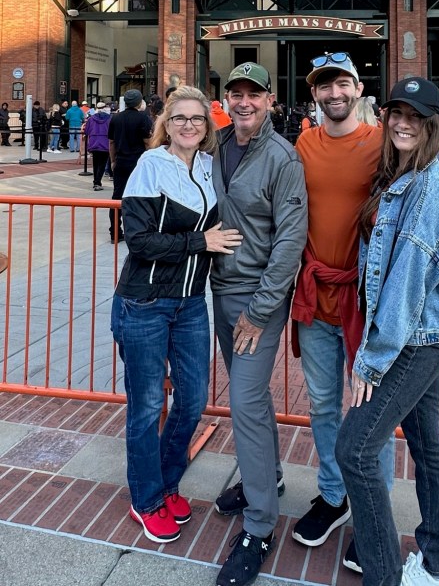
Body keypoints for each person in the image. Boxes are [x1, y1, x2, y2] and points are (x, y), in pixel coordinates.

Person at [335, 76, 439, 586]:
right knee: (427, 446)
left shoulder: (427, 187)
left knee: (355, 450)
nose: (404, 124)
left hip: (413, 338)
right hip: (426, 331)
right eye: (397, 114)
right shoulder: (400, 173)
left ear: (433, 125)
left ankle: (383, 575)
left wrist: (371, 361)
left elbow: (405, 283)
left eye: (416, 116)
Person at [110, 86, 242, 544]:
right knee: (147, 407)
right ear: (166, 123)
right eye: (180, 118)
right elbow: (139, 240)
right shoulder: (152, 165)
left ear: (208, 126)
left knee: (192, 400)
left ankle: (167, 484)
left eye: (197, 119)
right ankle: (145, 499)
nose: (189, 125)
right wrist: (200, 242)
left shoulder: (208, 165)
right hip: (144, 302)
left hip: (190, 303)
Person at [291, 53, 393, 576]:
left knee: (370, 413)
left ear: (358, 89)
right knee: (324, 404)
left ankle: (373, 513)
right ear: (315, 94)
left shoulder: (383, 144)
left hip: (365, 302)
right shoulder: (303, 144)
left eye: (343, 84)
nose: (334, 93)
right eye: (325, 86)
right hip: (315, 297)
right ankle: (333, 495)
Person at [211, 62, 307, 586]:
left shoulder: (282, 157)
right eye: (236, 93)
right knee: (254, 399)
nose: (244, 101)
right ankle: (265, 478)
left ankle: (260, 524)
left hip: (256, 300)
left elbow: (290, 240)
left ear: (270, 100)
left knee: (245, 402)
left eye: (254, 94)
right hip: (219, 289)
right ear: (226, 98)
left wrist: (261, 308)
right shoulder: (216, 144)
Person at [108, 89, 153, 242]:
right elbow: (147, 142)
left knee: (117, 197)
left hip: (121, 161)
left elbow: (111, 142)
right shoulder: (143, 118)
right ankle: (140, 230)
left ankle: (114, 231)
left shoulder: (116, 118)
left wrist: (113, 160)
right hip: (139, 162)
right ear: (140, 102)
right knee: (142, 196)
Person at [84, 102, 112, 190]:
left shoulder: (91, 119)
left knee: (95, 163)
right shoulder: (109, 118)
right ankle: (97, 182)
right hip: (105, 142)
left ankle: (96, 181)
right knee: (102, 164)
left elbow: (86, 131)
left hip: (94, 142)